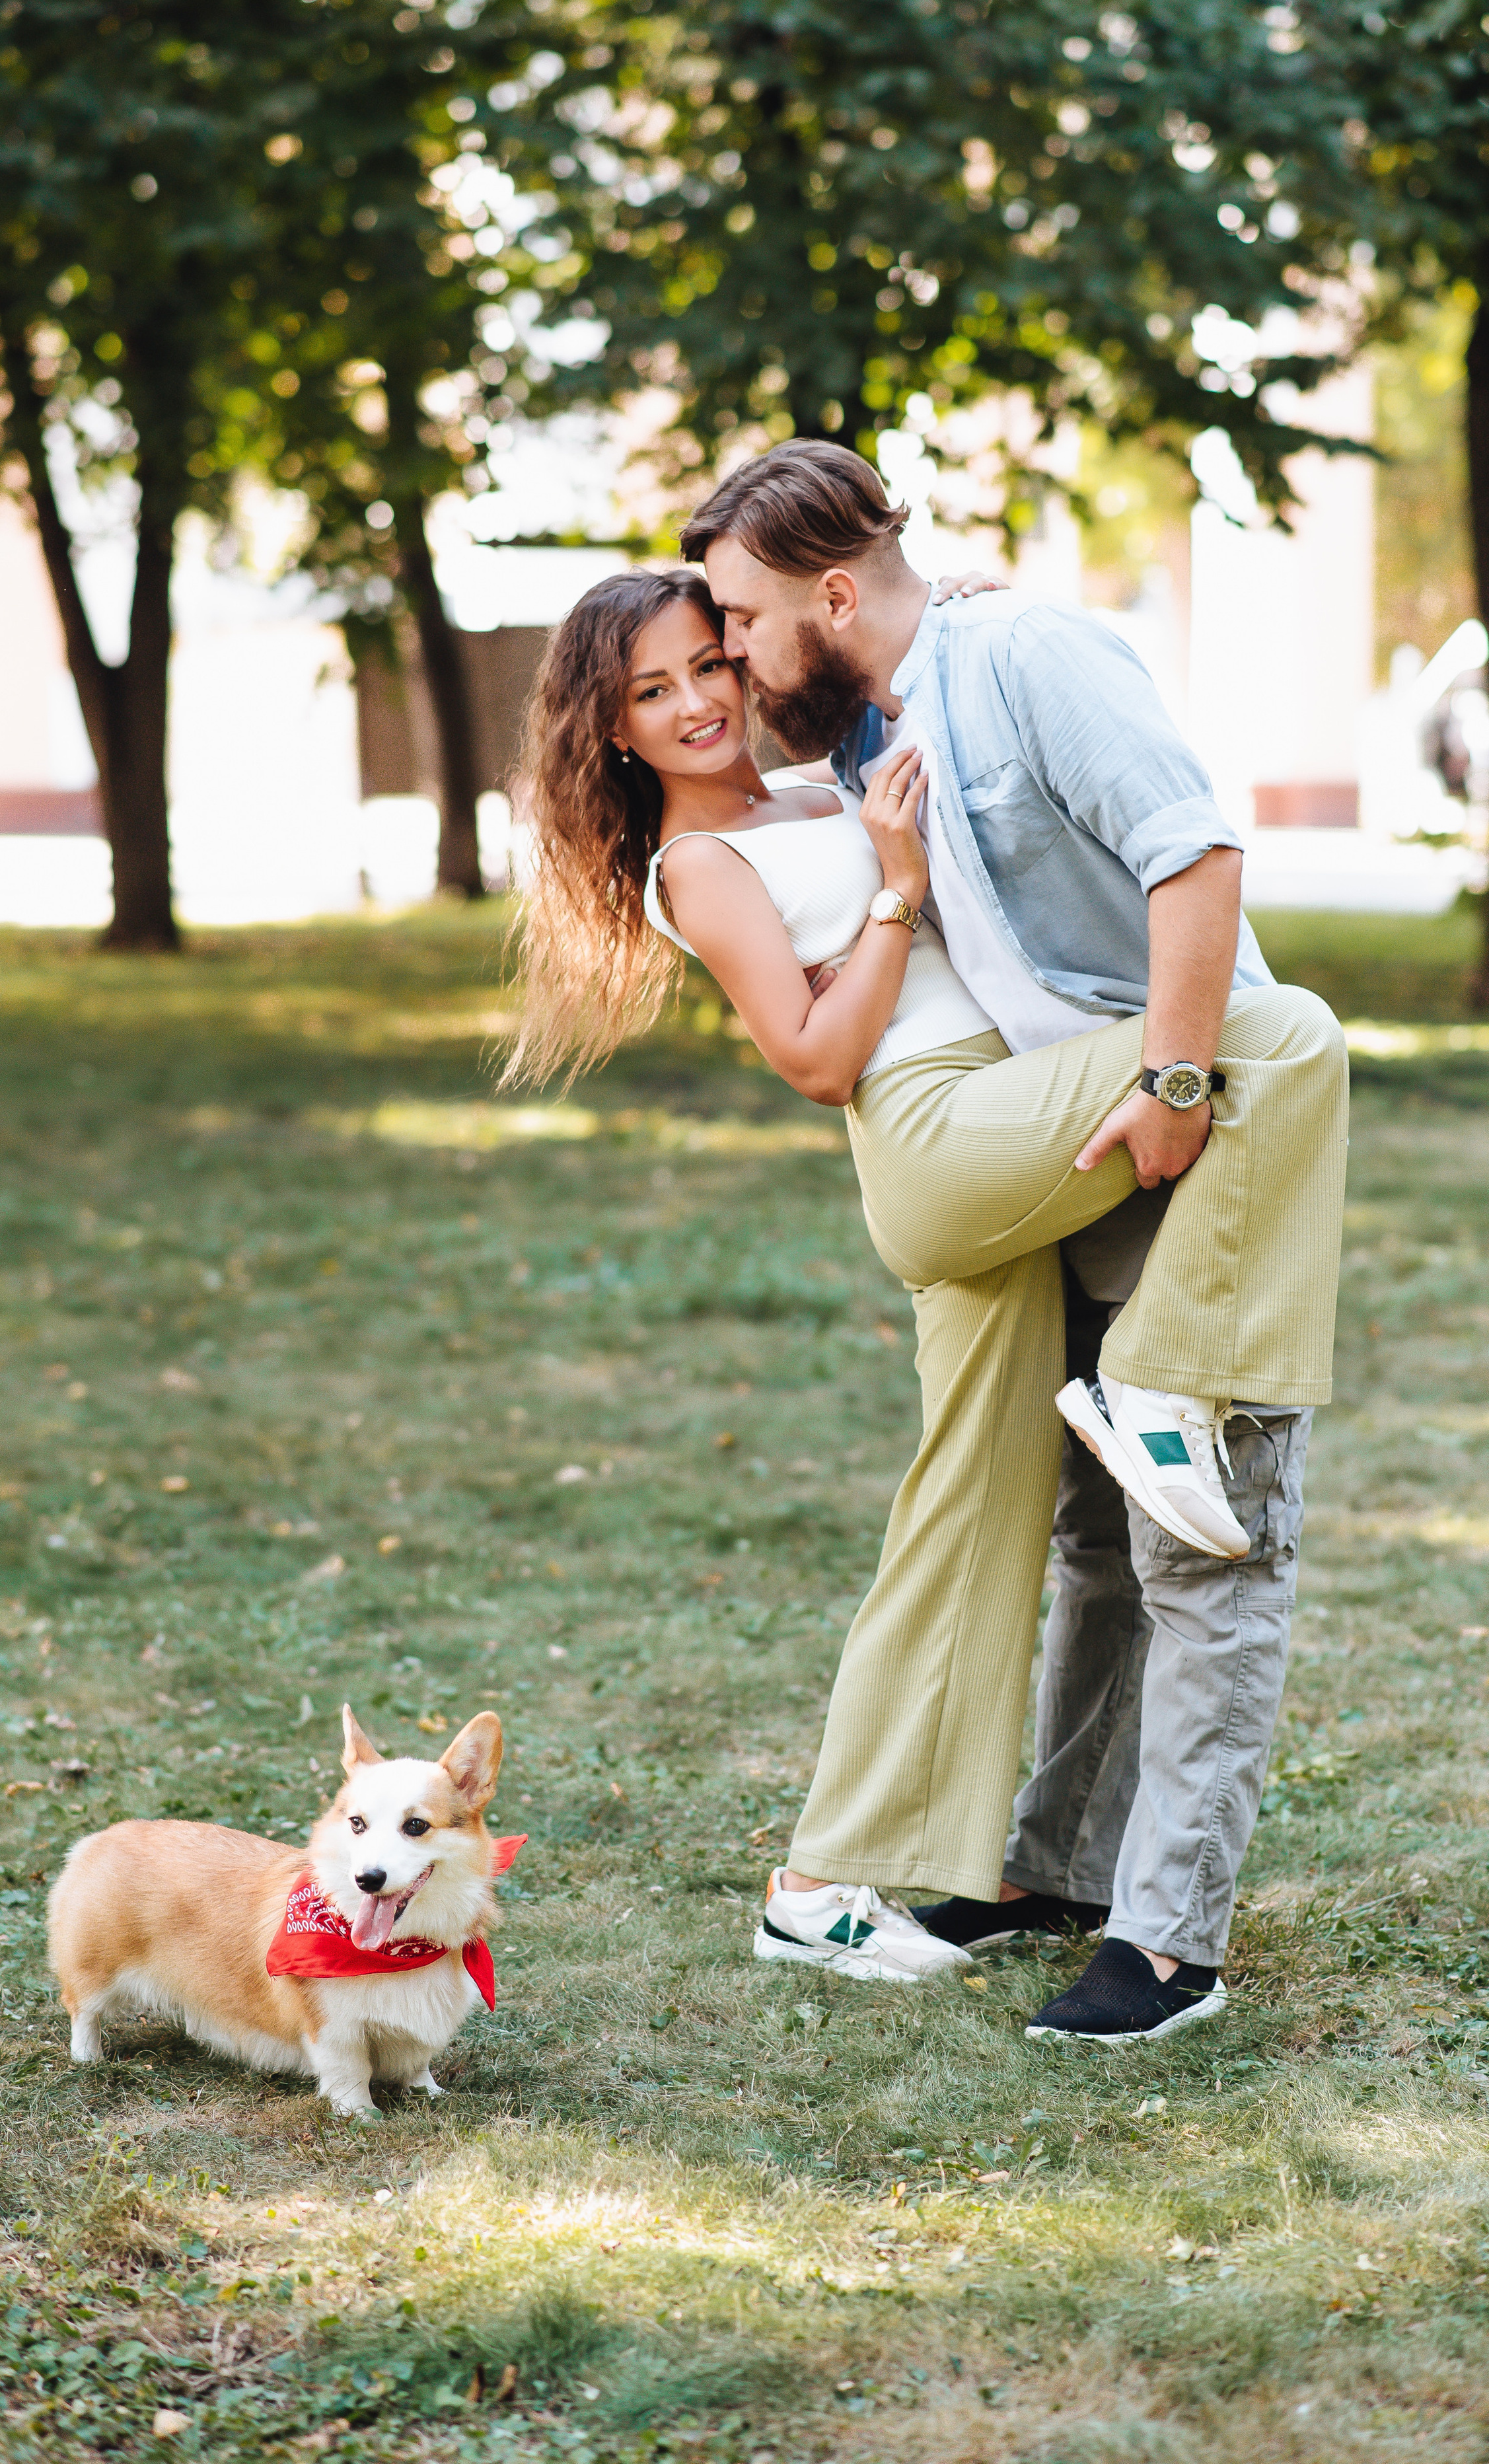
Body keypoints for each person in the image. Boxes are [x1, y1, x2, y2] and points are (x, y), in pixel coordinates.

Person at [507, 535, 1347, 2042]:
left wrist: (931, 601)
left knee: (968, 1514)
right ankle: (1165, 1375)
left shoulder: (816, 777)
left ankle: (838, 1878)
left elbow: (901, 684)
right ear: (611, 727)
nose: (703, 698)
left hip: (1008, 1136)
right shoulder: (694, 864)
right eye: (657, 689)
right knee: (1269, 1034)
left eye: (712, 657)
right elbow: (817, 1057)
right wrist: (893, 895)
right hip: (941, 1131)